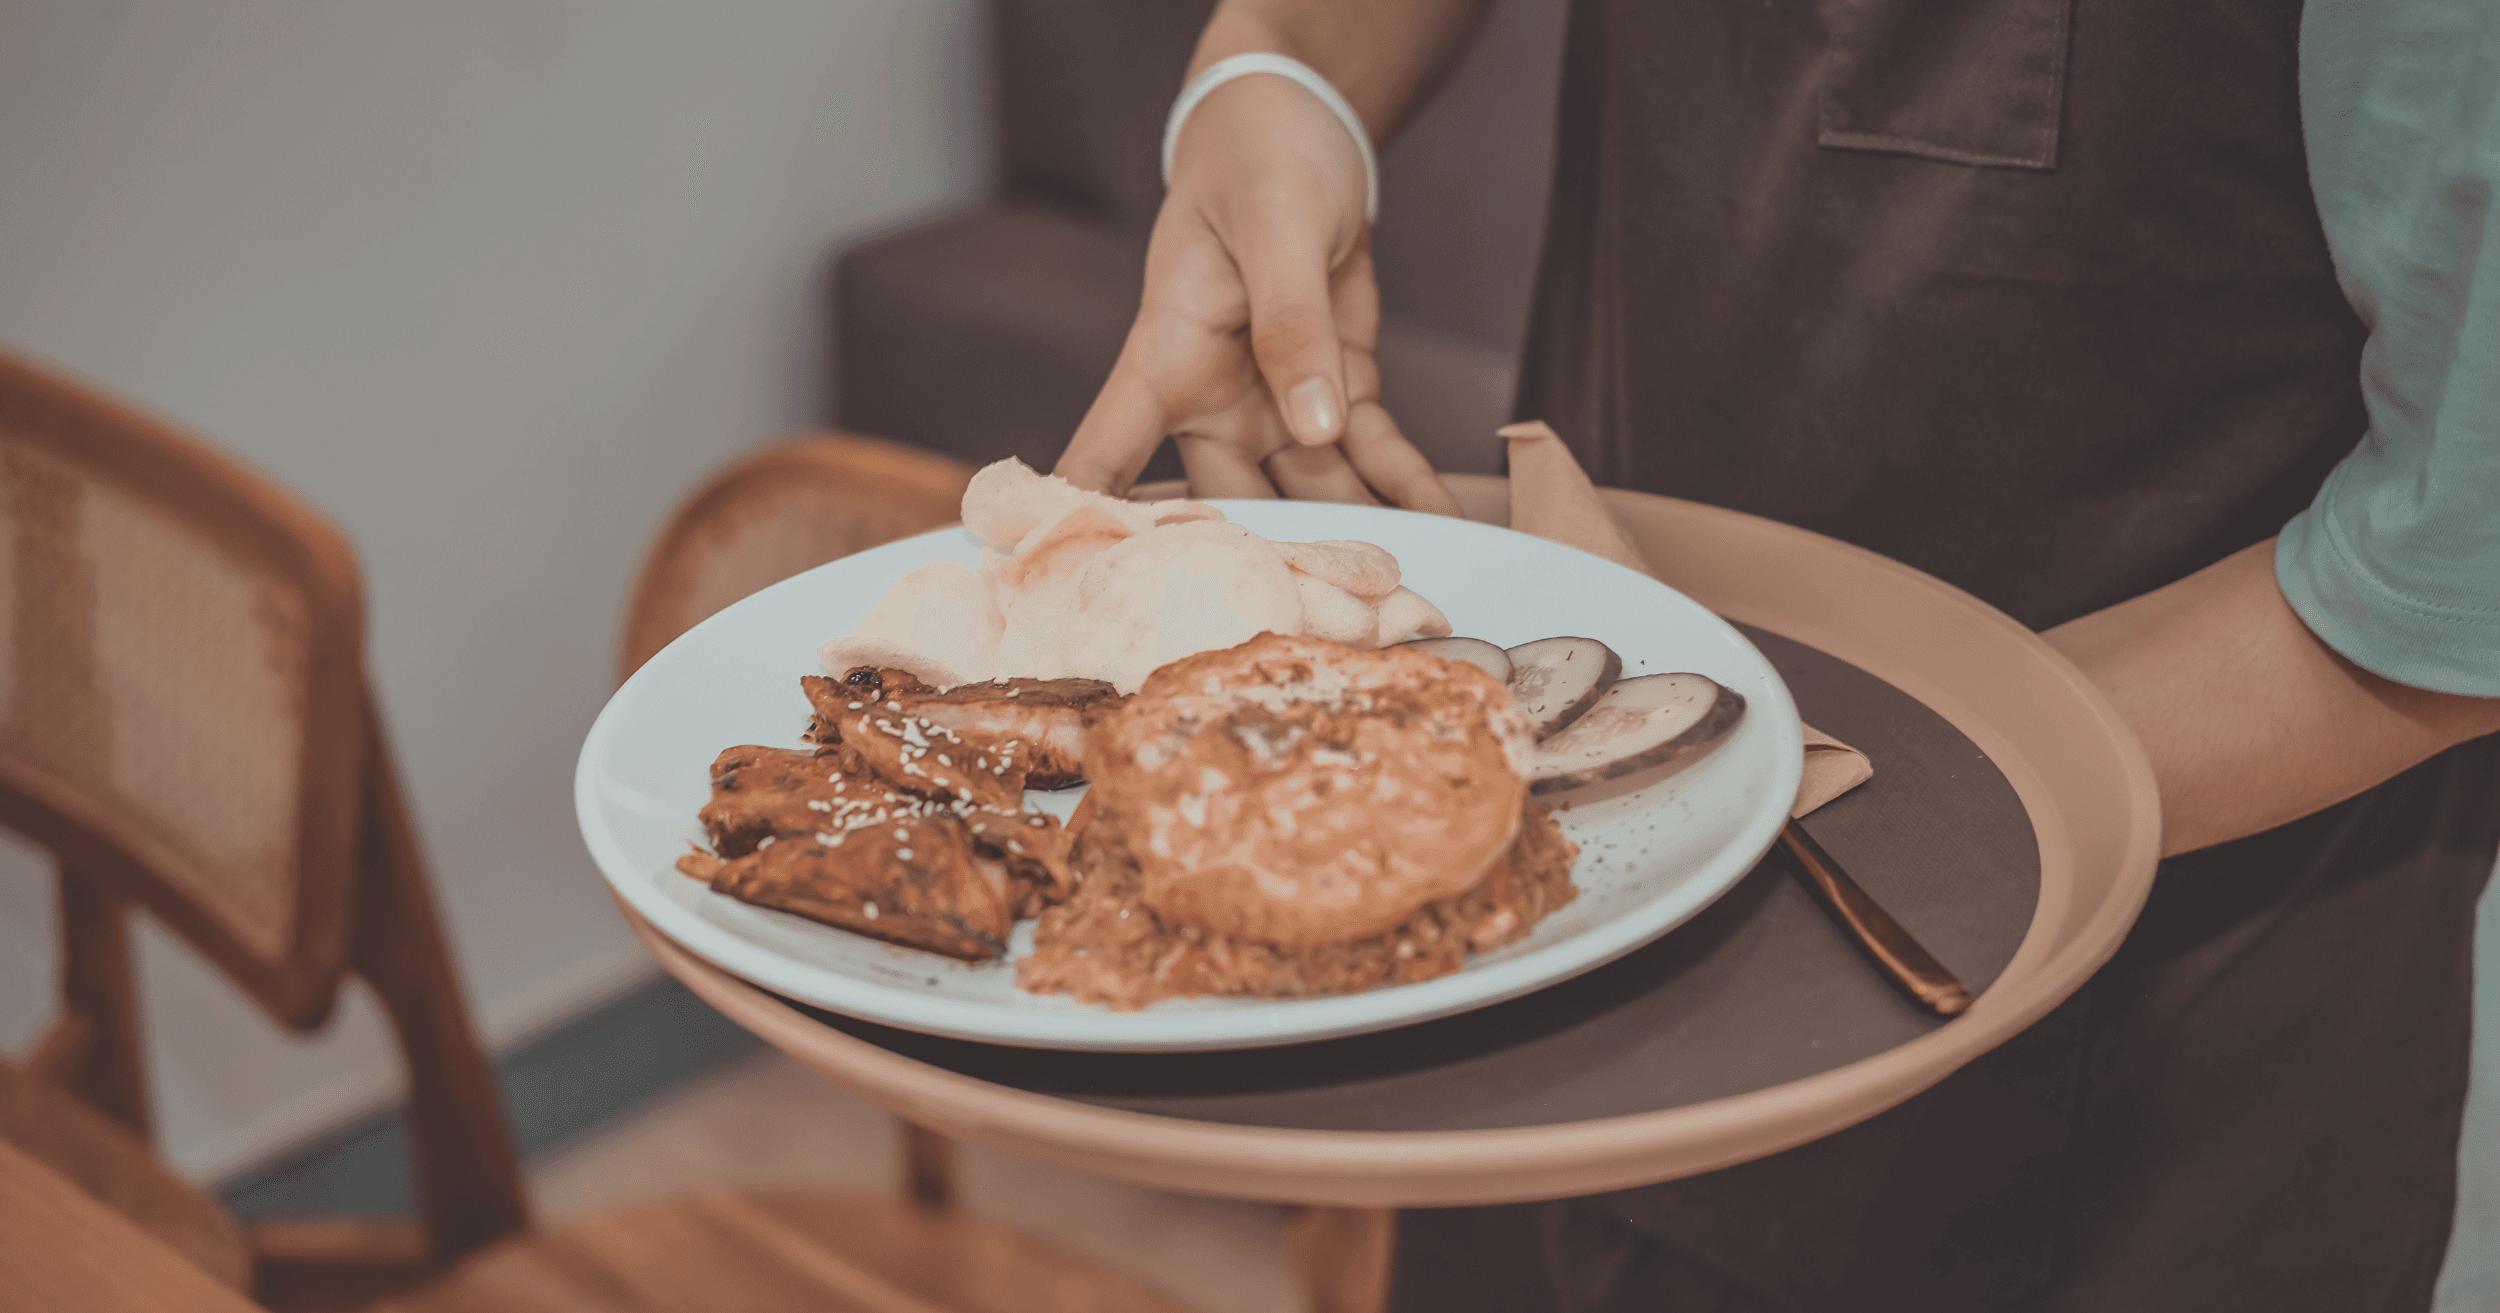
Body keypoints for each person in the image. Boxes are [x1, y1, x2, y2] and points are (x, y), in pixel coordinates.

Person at [1052, 1, 2500, 1309]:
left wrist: (1787, 786)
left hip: (2111, 1091)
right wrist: (1281, 68)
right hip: (1543, 961)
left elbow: (2456, 572)